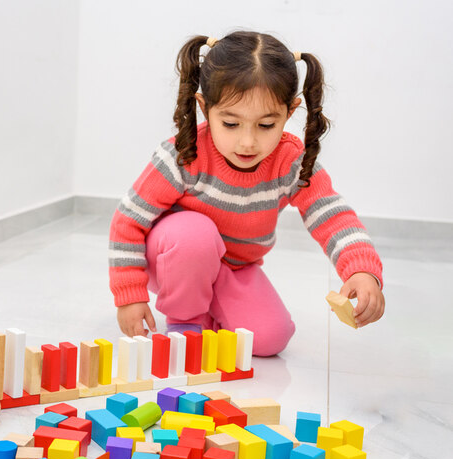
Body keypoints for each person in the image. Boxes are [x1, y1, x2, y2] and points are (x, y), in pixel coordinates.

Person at [108, 31, 385, 356]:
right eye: (231, 124)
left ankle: (211, 310)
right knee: (194, 235)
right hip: (175, 259)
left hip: (235, 268)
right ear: (205, 108)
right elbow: (126, 222)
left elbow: (332, 216)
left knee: (270, 339)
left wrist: (363, 270)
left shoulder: (290, 161)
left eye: (266, 125)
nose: (248, 143)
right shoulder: (183, 155)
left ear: (289, 113)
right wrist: (130, 295)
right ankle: (186, 321)